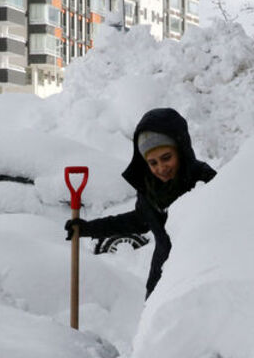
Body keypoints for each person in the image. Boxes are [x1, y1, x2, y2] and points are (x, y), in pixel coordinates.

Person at [65, 108, 216, 298]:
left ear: (180, 149)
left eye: (166, 157)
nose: (161, 168)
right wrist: (88, 229)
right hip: (162, 280)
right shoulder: (149, 187)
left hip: (200, 279)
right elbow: (139, 221)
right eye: (152, 162)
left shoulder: (204, 179)